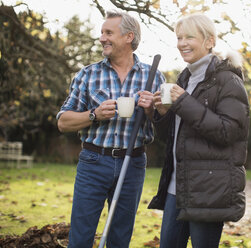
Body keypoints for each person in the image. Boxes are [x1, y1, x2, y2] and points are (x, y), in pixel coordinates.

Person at [56, 9, 164, 248]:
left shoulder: (154, 76)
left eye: (108, 32)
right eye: (101, 32)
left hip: (133, 163)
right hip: (94, 161)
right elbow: (63, 121)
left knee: (119, 237)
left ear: (129, 37)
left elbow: (165, 124)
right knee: (81, 237)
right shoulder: (88, 74)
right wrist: (94, 115)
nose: (102, 38)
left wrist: (149, 111)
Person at [148, 13, 249, 248]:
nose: (182, 43)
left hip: (209, 190)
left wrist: (183, 103)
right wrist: (163, 114)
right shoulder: (185, 79)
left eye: (189, 37)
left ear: (209, 41)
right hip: (177, 186)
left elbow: (228, 132)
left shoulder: (228, 80)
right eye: (179, 37)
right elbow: (176, 137)